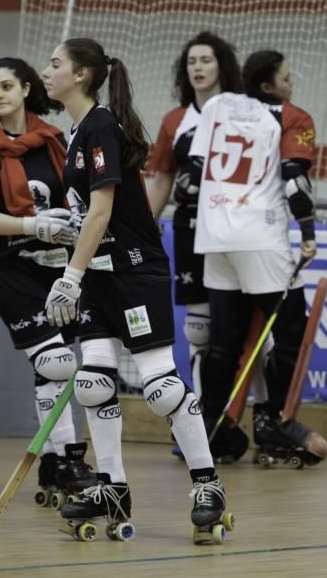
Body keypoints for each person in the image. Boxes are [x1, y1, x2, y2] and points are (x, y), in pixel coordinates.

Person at [40, 38, 227, 540]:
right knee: (93, 383)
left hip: (133, 272)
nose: (47, 71)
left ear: (81, 75)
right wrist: (61, 229)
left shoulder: (100, 123)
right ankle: (112, 487)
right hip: (98, 274)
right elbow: (89, 214)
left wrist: (69, 277)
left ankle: (208, 484)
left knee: (160, 385)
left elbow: (105, 210)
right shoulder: (76, 130)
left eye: (55, 64)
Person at [0, 57, 97, 507]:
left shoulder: (53, 141)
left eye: (6, 86)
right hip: (9, 267)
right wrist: (32, 226)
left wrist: (71, 224)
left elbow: (77, 194)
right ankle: (72, 459)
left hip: (57, 267)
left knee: (53, 367)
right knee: (56, 364)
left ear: (26, 88)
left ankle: (55, 463)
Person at [190, 49, 327, 467]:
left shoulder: (217, 104)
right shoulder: (292, 116)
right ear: (269, 85)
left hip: (214, 236)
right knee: (289, 336)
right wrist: (307, 234)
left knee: (223, 342)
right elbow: (294, 182)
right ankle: (276, 422)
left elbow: (194, 170)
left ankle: (213, 427)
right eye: (286, 76)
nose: (292, 80)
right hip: (261, 237)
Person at [145, 31, 250, 462]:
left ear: (222, 65)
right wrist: (144, 226)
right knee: (199, 328)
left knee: (241, 332)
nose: (198, 68)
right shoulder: (175, 120)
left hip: (235, 231)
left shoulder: (246, 113)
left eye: (206, 60)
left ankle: (248, 418)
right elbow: (163, 179)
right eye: (191, 61)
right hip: (190, 228)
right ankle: (202, 420)